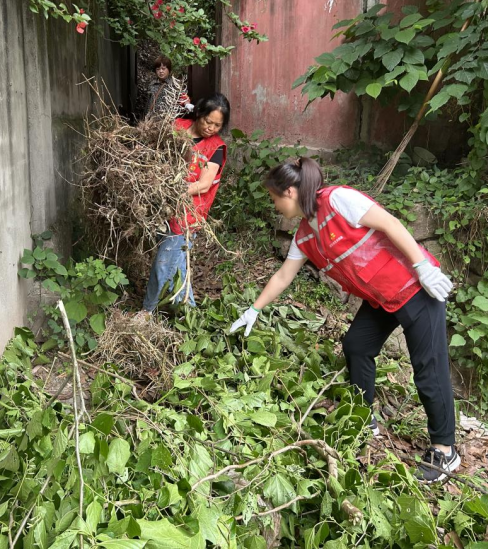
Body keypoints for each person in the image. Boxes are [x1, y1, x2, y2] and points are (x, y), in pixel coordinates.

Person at [229, 157, 459, 483]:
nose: (275, 205)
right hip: (382, 299)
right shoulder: (306, 235)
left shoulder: (338, 200)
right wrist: (254, 309)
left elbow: (391, 224)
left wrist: (423, 266)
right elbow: (283, 276)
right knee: (356, 345)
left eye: (275, 198)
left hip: (415, 287)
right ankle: (364, 418)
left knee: (428, 369)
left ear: (291, 192)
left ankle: (445, 450)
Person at [141, 94, 231, 312]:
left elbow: (204, 184)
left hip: (188, 214)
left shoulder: (215, 147)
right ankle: (189, 311)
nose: (211, 128)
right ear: (198, 113)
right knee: (177, 262)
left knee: (164, 264)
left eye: (217, 125)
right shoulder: (176, 127)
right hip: (162, 208)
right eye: (208, 121)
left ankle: (146, 313)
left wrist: (173, 190)